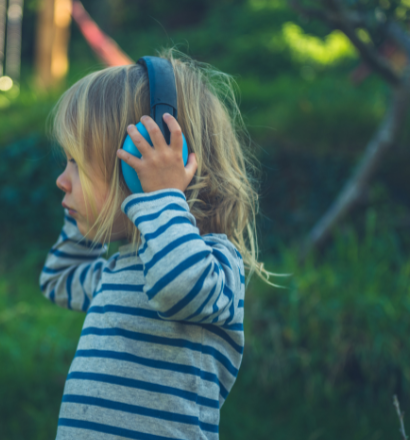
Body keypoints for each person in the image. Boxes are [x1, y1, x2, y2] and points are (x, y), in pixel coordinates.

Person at [39, 48, 277, 440]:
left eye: (77, 165)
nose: (62, 180)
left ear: (139, 171)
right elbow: (60, 280)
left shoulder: (214, 265)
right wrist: (81, 212)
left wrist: (163, 197)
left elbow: (178, 289)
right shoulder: (119, 271)